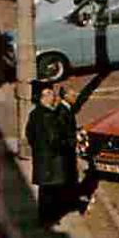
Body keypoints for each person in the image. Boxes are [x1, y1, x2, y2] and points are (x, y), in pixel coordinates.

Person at [26, 80, 81, 227]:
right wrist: (68, 144)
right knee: (51, 192)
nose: (53, 96)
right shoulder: (48, 116)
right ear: (42, 97)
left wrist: (38, 149)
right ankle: (49, 219)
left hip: (42, 159)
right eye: (49, 94)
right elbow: (55, 140)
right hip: (52, 161)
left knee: (45, 191)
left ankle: (46, 218)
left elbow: (29, 135)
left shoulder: (35, 114)